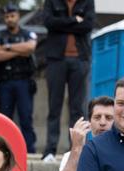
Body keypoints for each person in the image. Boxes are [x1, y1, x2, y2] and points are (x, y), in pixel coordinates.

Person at [41, 0, 94, 160]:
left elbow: (88, 25)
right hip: (56, 59)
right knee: (54, 107)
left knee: (77, 109)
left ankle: (76, 150)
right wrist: (73, 20)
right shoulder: (51, 1)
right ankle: (50, 150)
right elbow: (49, 22)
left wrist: (62, 24)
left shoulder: (87, 2)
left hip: (80, 59)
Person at [0, 3, 37, 154]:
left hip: (24, 81)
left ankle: (29, 150)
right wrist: (19, 50)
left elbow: (30, 48)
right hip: (5, 82)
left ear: (18, 16)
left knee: (26, 118)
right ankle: (3, 150)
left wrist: (8, 47)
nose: (10, 19)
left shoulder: (27, 33)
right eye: (7, 17)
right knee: (5, 118)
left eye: (12, 16)